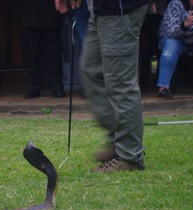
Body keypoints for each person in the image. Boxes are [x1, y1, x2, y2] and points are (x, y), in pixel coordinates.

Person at [55, 0, 147, 172]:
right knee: (91, 71)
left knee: (120, 82)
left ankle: (129, 155)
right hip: (100, 9)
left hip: (120, 9)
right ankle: (118, 139)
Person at [21, 0, 65, 99]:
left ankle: (56, 85)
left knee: (54, 52)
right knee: (32, 53)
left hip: (51, 11)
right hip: (30, 13)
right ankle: (34, 85)